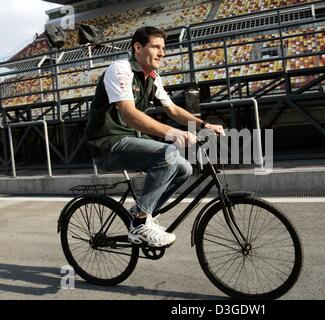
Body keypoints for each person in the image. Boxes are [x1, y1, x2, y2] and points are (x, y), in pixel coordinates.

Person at [85, 26, 224, 248]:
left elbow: (172, 110)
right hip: (107, 143)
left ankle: (143, 212)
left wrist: (204, 125)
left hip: (129, 140)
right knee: (168, 153)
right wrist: (172, 132)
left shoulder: (153, 77)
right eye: (155, 47)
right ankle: (140, 223)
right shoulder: (120, 69)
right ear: (138, 47)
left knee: (184, 168)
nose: (162, 52)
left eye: (163, 48)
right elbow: (129, 115)